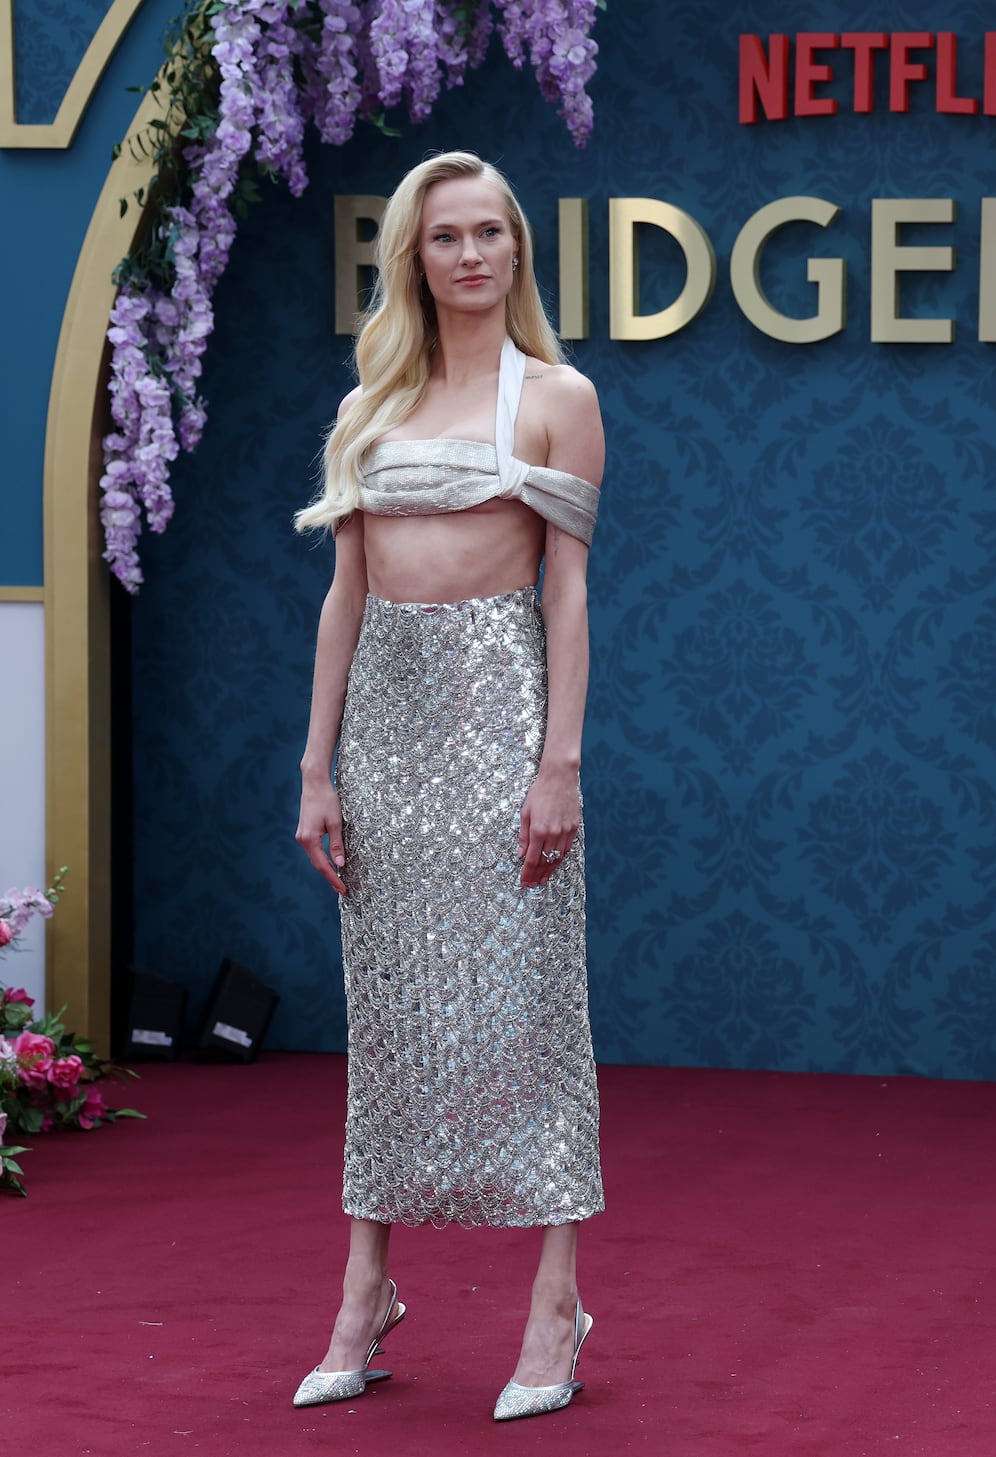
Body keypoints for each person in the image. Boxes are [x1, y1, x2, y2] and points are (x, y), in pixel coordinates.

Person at [291, 150, 605, 1423]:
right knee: (391, 1015)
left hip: (499, 721)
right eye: (446, 237)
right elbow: (343, 595)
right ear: (412, 258)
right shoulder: (377, 394)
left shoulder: (560, 396)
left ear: (518, 250)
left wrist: (558, 764)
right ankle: (366, 1290)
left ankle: (557, 1301)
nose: (472, 255)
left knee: (530, 1012)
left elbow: (571, 593)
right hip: (383, 735)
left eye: (491, 234)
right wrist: (316, 765)